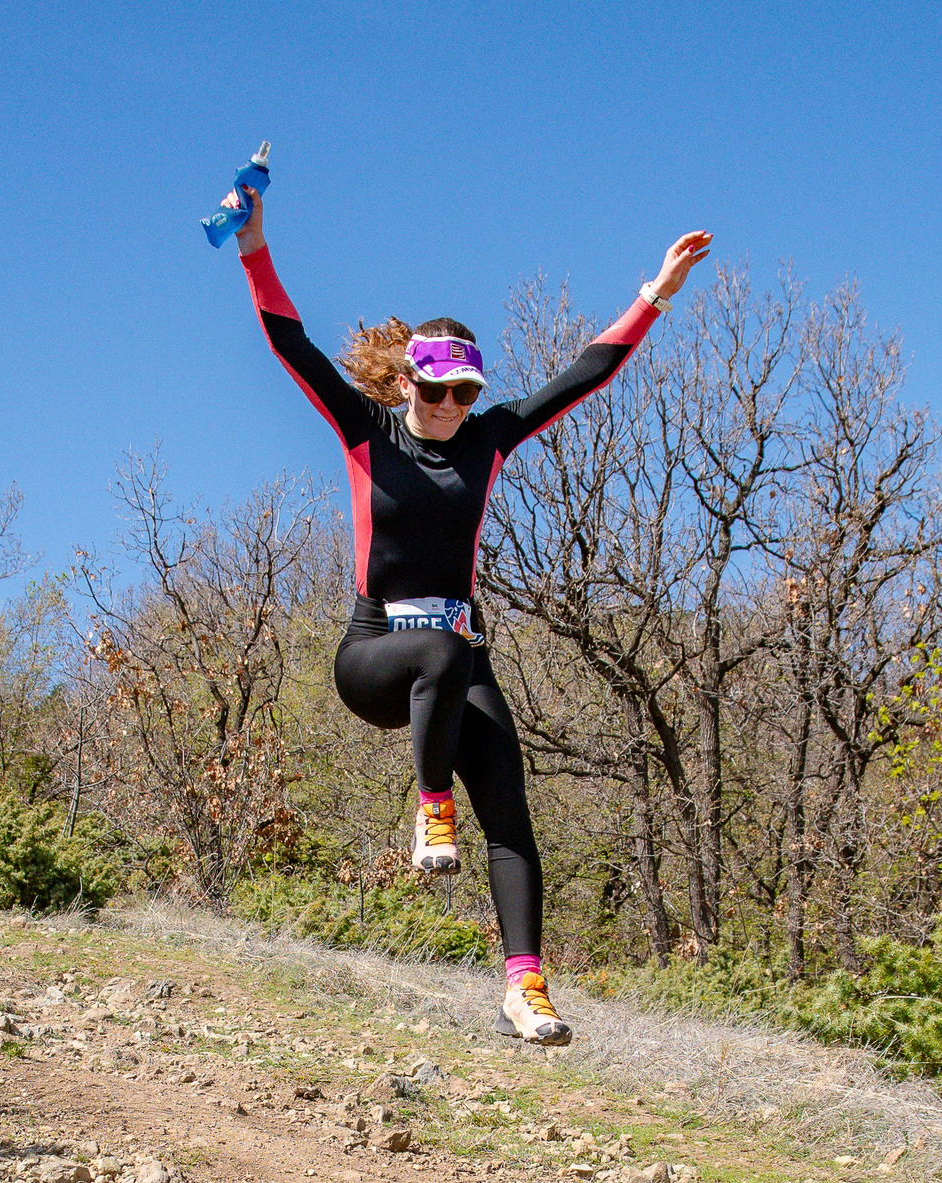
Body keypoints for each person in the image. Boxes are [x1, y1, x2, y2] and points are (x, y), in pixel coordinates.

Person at [226, 175, 710, 1047]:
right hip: (376, 654)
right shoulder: (366, 430)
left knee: (514, 808)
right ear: (408, 383)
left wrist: (652, 297)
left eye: (465, 396)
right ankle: (429, 803)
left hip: (460, 652)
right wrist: (257, 247)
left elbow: (586, 373)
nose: (449, 410)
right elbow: (288, 342)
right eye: (434, 393)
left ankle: (525, 986)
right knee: (440, 652)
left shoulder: (489, 439)